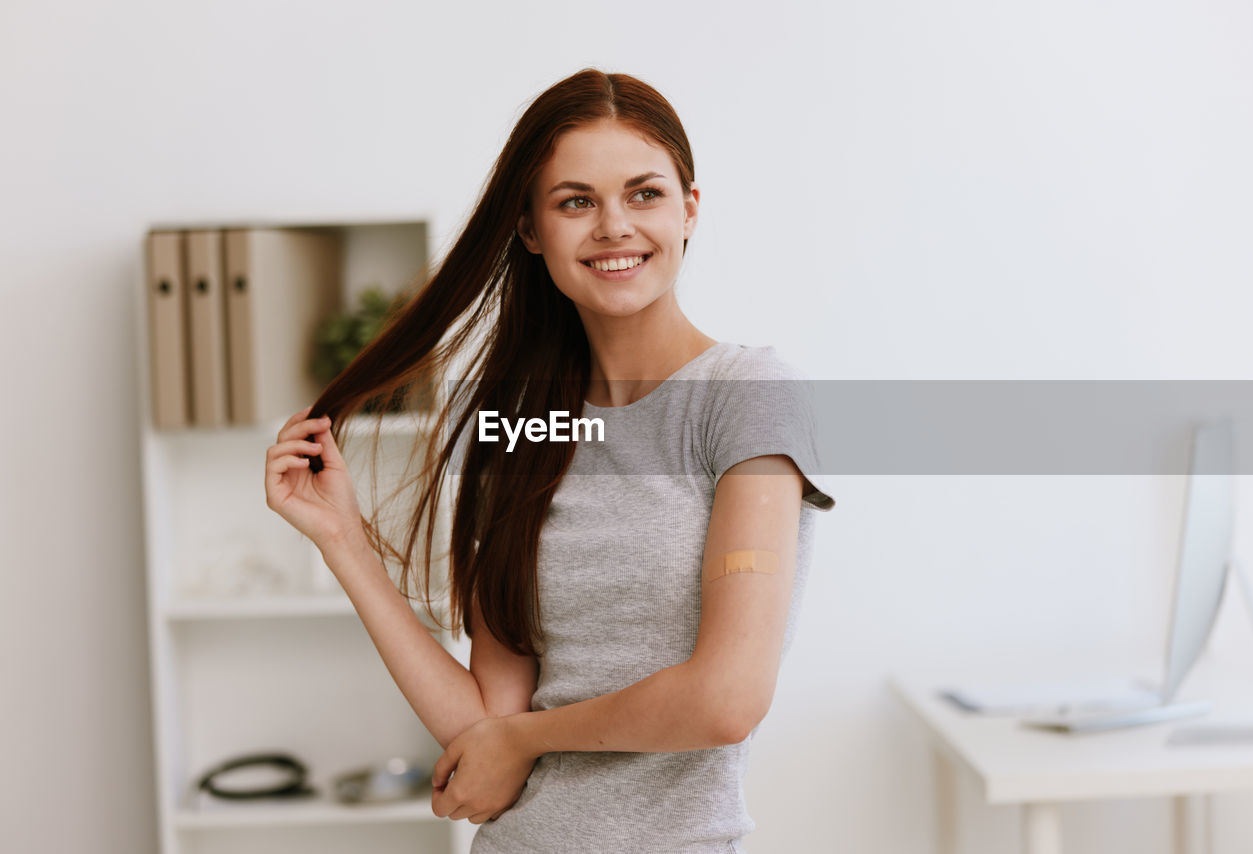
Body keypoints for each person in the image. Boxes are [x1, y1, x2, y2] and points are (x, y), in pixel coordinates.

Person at [264, 67, 834, 853]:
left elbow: (726, 698)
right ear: (531, 229)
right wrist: (345, 543)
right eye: (576, 202)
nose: (613, 227)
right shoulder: (520, 429)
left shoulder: (746, 396)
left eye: (644, 194)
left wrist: (529, 740)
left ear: (690, 209)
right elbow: (484, 732)